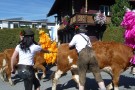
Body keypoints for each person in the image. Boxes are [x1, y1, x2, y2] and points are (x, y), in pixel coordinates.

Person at [69, 25, 106, 90]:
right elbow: (90, 46)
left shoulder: (76, 36)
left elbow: (70, 45)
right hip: (92, 54)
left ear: (78, 31)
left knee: (82, 74)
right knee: (97, 73)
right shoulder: (87, 37)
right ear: (84, 31)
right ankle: (103, 88)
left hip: (83, 55)